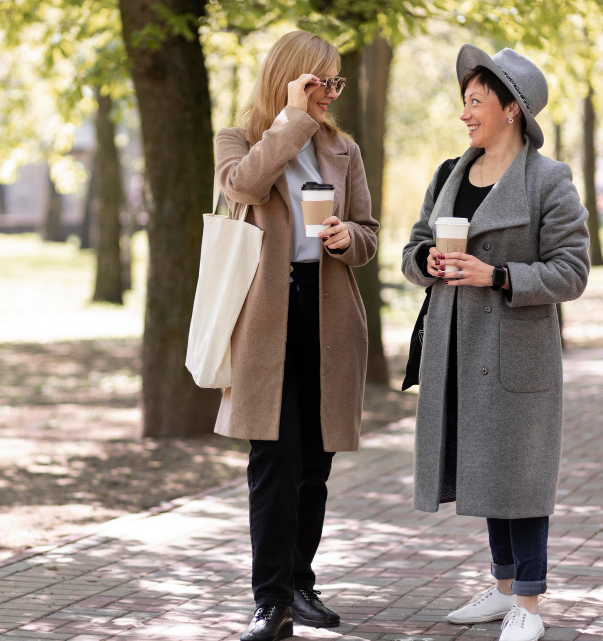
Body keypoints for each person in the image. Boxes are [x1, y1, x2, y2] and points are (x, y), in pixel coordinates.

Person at [401, 45, 591, 641]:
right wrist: (426, 261)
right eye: (465, 101)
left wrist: (499, 276)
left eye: (476, 101)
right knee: (485, 470)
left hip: (516, 356)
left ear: (512, 109)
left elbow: (573, 271)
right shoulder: (447, 175)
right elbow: (411, 250)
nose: (465, 113)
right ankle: (503, 588)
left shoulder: (549, 180)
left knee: (522, 475)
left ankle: (528, 608)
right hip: (456, 349)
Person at [214, 30, 380, 641]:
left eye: (335, 82)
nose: (330, 93)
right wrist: (289, 121)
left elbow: (368, 230)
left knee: (315, 460)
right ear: (290, 78)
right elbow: (244, 186)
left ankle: (301, 583)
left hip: (328, 309)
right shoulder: (239, 138)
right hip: (266, 314)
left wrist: (347, 239)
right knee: (273, 458)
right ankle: (271, 601)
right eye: (320, 81)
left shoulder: (344, 149)